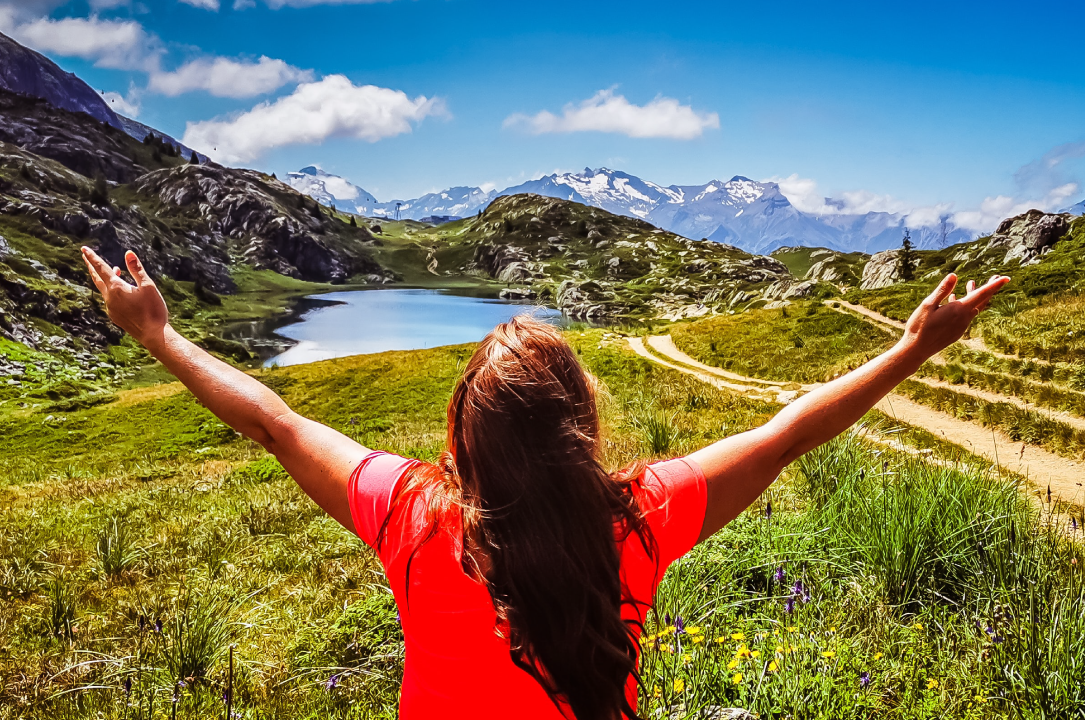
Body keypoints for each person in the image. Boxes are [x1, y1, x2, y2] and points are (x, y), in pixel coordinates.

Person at [80, 246, 1008, 720]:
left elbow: (273, 421)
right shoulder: (641, 516)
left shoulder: (408, 512)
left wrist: (157, 336)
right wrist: (913, 348)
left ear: (463, 433)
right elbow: (785, 434)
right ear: (581, 428)